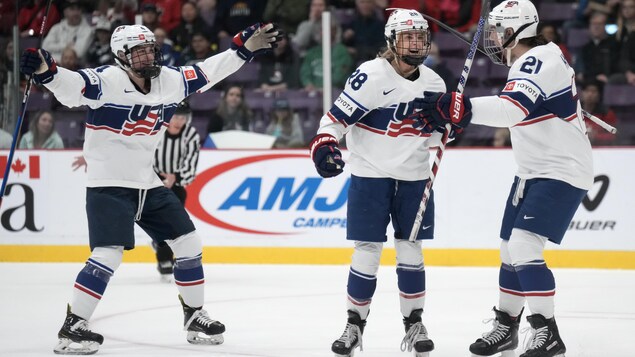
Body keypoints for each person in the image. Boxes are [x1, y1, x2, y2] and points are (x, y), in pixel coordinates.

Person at [20, 22, 279, 354]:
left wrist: (243, 49)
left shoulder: (170, 80)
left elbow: (208, 71)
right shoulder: (107, 81)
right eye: (138, 51)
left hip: (148, 182)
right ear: (121, 57)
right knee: (108, 255)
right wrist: (46, 68)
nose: (147, 56)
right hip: (109, 183)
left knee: (188, 242)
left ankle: (194, 314)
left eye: (150, 49)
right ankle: (73, 326)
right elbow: (71, 88)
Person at [413, 1, 593, 356]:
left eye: (498, 30)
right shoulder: (536, 61)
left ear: (516, 30)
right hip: (534, 170)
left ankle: (547, 330)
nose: (493, 38)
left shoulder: (537, 60)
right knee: (510, 250)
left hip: (561, 170)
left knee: (525, 246)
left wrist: (462, 108)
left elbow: (511, 109)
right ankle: (506, 326)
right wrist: (461, 108)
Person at [309, 9, 451, 357]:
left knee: (410, 250)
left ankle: (414, 324)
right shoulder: (370, 76)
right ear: (391, 41)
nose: (415, 43)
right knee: (368, 253)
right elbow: (334, 121)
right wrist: (325, 145)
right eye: (408, 37)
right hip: (370, 174)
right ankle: (354, 326)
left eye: (420, 36)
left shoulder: (435, 83)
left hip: (415, 178)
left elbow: (436, 139)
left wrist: (452, 123)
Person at [152, 100, 201, 281]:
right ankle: (161, 249)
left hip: (177, 187)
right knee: (158, 222)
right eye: (176, 116)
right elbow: (144, 155)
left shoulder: (191, 135)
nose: (179, 121)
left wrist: (175, 178)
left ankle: (163, 252)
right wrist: (156, 177)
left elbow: (191, 165)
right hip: (152, 182)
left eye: (183, 117)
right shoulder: (157, 130)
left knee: (173, 223)